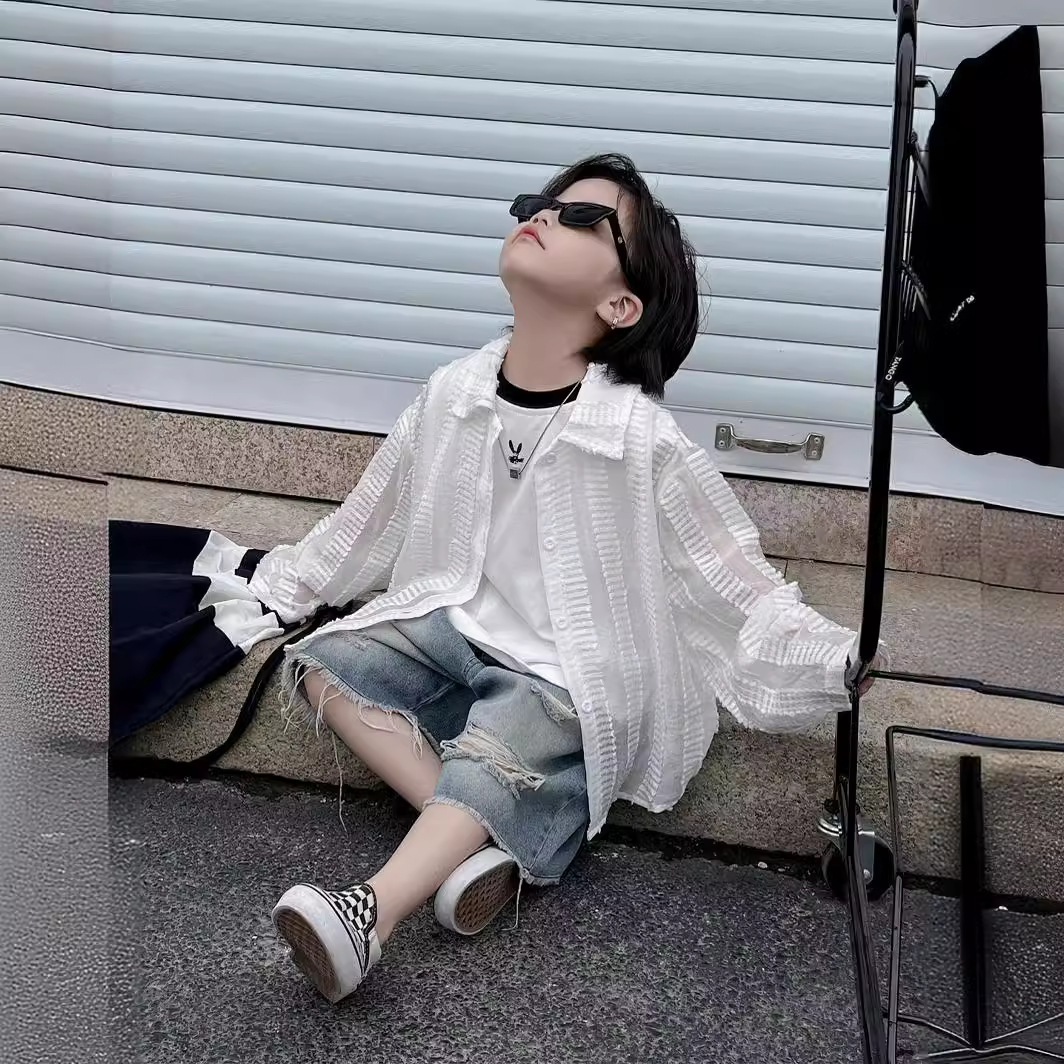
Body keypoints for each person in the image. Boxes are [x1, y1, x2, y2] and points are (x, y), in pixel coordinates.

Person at [248, 153, 879, 1004]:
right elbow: (372, 515)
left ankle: (369, 915)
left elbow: (735, 579)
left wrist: (832, 657)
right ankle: (483, 842)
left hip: (565, 672)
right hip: (457, 629)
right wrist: (283, 584)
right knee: (326, 662)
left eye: (585, 218)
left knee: (508, 742)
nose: (544, 215)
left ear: (620, 306)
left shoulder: (640, 439)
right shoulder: (454, 392)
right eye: (541, 204)